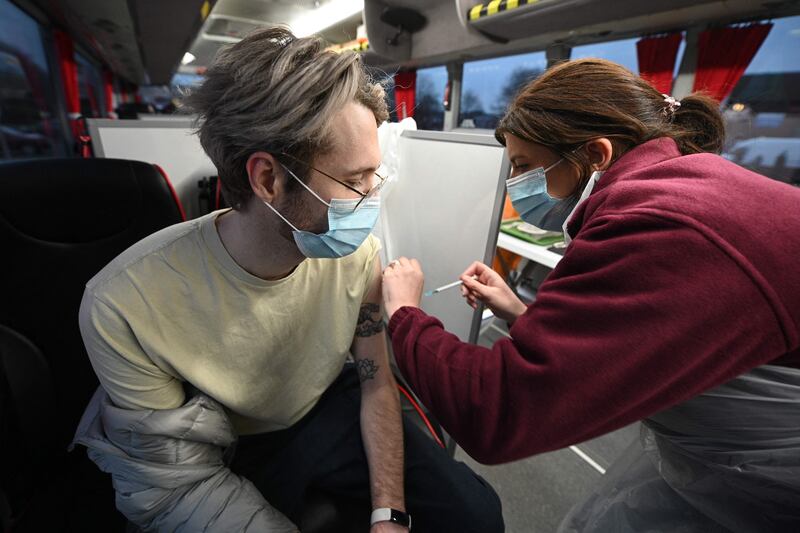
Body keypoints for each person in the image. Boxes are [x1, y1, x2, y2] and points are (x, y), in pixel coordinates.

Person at [73, 28, 503, 533]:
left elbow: (375, 383)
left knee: (475, 516)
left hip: (326, 406)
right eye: (354, 181)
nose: (372, 197)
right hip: (229, 442)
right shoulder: (123, 302)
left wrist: (389, 514)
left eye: (375, 176)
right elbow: (174, 483)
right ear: (268, 180)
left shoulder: (359, 253)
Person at [381, 58, 800, 532]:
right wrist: (524, 314)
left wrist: (405, 314)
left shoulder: (661, 228)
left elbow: (497, 409)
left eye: (525, 168)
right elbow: (638, 342)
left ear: (597, 154)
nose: (517, 188)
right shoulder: (680, 185)